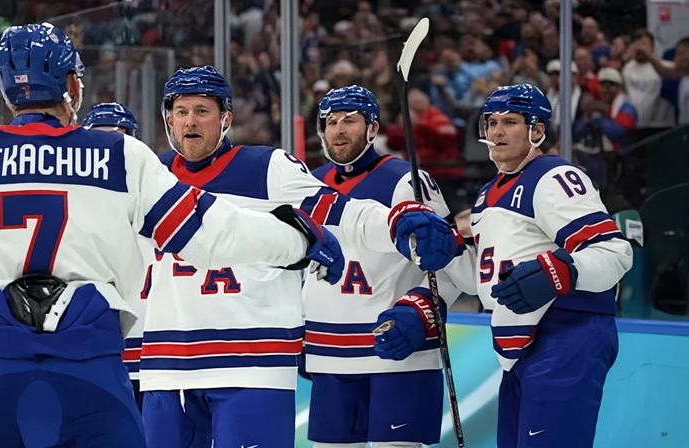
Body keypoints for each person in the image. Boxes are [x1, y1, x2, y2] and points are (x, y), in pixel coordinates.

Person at [0, 23, 348, 448]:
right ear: (73, 85)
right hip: (90, 372)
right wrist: (299, 241)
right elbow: (212, 233)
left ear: (4, 86)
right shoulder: (119, 155)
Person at [138, 66, 456, 448]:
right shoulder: (149, 176)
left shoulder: (267, 167)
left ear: (224, 118)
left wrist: (397, 219)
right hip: (165, 366)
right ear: (168, 119)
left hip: (252, 365)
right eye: (181, 111)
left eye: (202, 110)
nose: (190, 121)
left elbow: (342, 211)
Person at [302, 85, 476, 447]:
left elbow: (450, 267)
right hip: (330, 357)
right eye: (330, 122)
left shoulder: (406, 179)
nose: (338, 129)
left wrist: (424, 312)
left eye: (349, 120)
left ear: (372, 128)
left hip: (396, 354)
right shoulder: (307, 184)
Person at [474, 84, 633, 447]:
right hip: (520, 344)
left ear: (538, 130)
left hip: (566, 333)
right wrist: (445, 249)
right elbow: (487, 273)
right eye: (492, 122)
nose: (497, 132)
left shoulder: (554, 176)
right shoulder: (488, 192)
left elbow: (614, 251)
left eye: (510, 122)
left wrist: (560, 272)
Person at [82, 101, 148, 410]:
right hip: (96, 349)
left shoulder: (157, 190)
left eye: (120, 138)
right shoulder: (72, 207)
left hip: (154, 351)